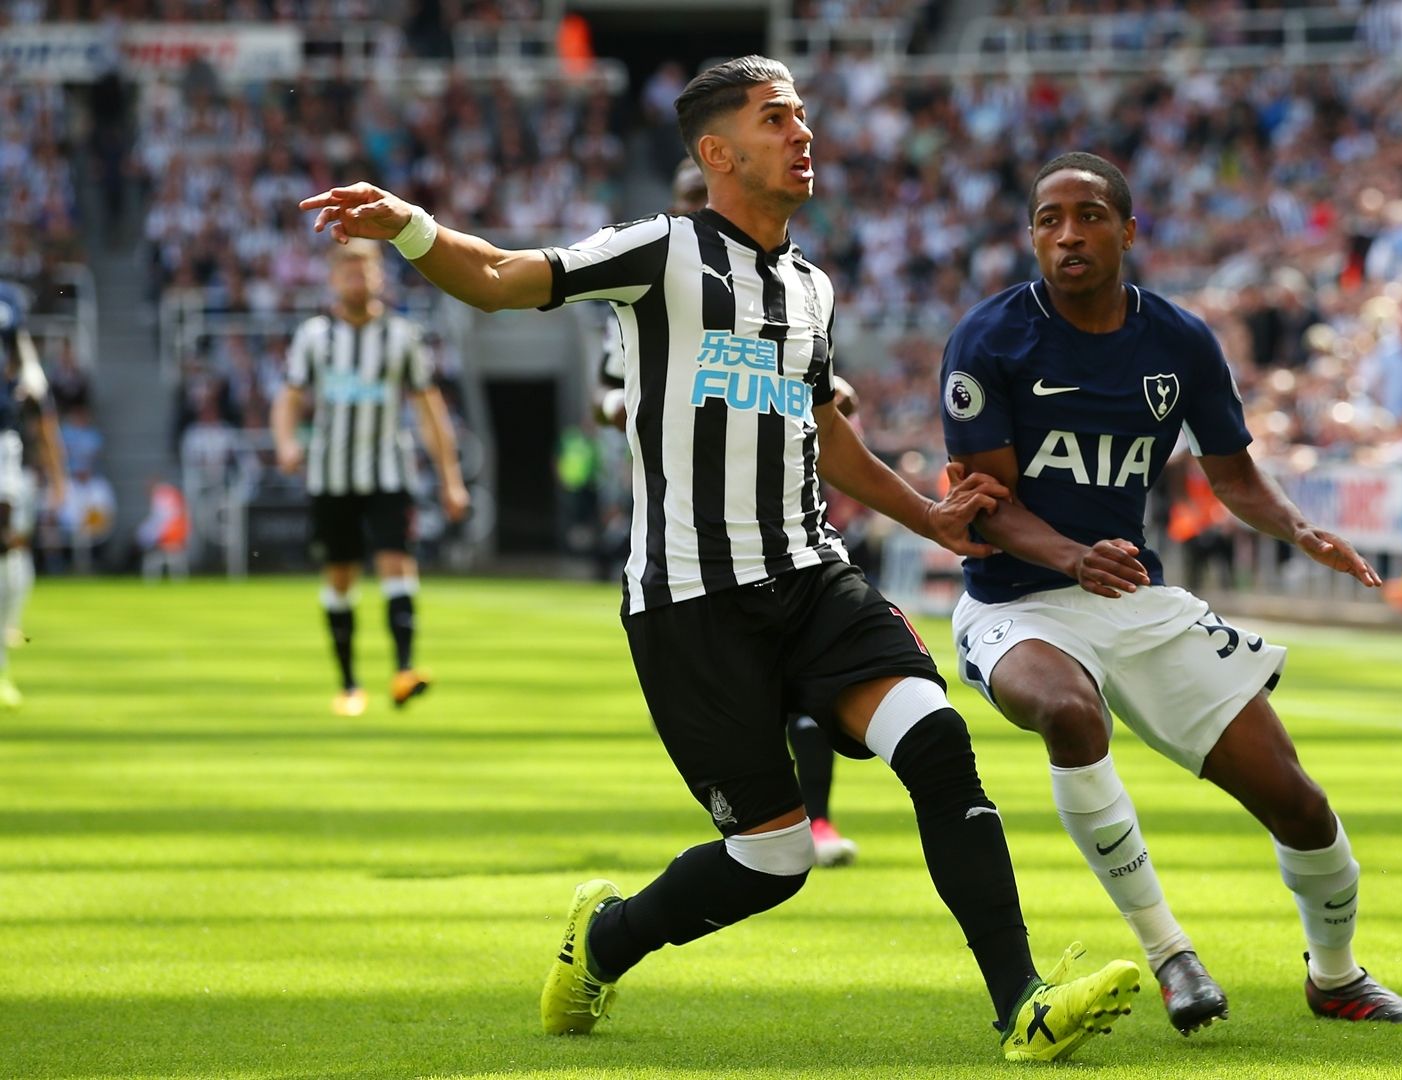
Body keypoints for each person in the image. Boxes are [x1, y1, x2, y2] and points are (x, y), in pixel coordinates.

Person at [299, 56, 1141, 1062]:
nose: (803, 133)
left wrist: (929, 516)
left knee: (936, 740)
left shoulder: (811, 287)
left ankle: (1023, 1005)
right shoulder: (661, 253)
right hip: (690, 601)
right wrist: (408, 226)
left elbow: (825, 435)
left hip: (812, 574)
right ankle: (604, 942)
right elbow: (496, 278)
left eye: (801, 115)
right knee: (774, 858)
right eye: (775, 118)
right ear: (717, 152)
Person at [941, 152, 1402, 1034]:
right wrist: (1072, 555)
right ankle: (1171, 955)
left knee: (1298, 801)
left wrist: (1297, 528)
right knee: (1067, 709)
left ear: (1128, 232)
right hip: (1018, 603)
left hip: (1133, 599)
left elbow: (1234, 475)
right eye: (1048, 220)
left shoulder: (1179, 341)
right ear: (1032, 239)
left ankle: (1337, 976)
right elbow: (986, 507)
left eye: (1088, 216)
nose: (1067, 235)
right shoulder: (989, 339)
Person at [597, 156, 858, 868]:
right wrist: (634, 401)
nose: (693, 207)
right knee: (758, 691)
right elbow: (605, 392)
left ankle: (820, 820)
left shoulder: (793, 284)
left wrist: (835, 401)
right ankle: (773, 827)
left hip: (782, 515)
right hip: (690, 518)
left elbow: (812, 381)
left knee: (806, 679)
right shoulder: (648, 280)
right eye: (683, 197)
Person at [269, 241, 471, 717]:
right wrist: (285, 443)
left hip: (388, 470)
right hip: (330, 474)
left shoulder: (403, 336)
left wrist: (451, 478)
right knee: (340, 575)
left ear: (379, 277)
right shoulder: (314, 337)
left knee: (397, 563)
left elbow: (428, 409)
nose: (356, 280)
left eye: (365, 271)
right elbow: (289, 398)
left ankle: (404, 670)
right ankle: (348, 684)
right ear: (333, 279)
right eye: (347, 272)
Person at [0, 280, 67, 708]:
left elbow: (34, 388)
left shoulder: (8, 300)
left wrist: (58, 476)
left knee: (12, 546)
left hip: (4, 444)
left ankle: (3, 657)